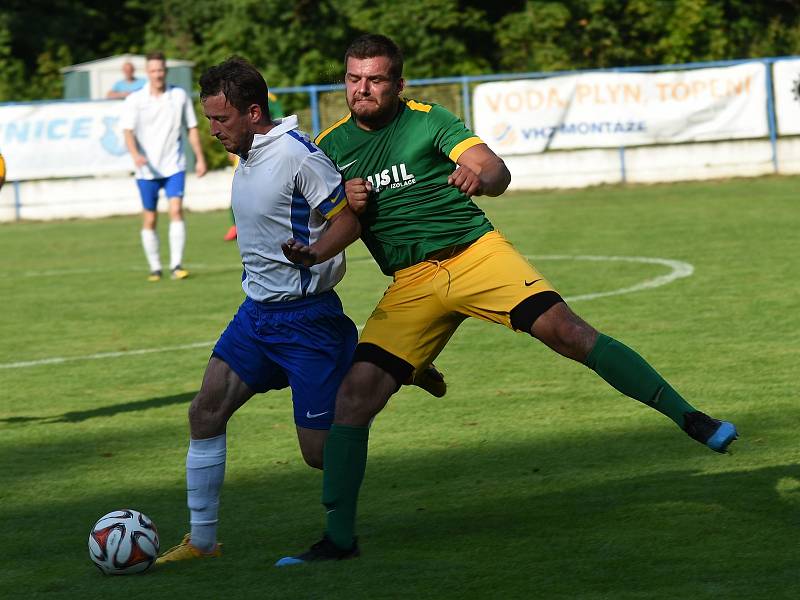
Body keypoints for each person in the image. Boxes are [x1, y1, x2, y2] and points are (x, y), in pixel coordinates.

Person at [276, 34, 739, 565]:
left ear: (398, 84)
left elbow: (495, 168)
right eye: (355, 79)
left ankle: (691, 418)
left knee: (570, 333)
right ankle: (338, 540)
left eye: (376, 79)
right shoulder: (332, 145)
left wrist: (481, 176)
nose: (364, 89)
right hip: (410, 283)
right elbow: (348, 221)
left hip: (475, 256)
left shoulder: (429, 119)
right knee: (353, 401)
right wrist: (313, 253)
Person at [154, 56, 362, 564]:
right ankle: (202, 543)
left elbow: (350, 219)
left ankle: (383, 367)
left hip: (309, 321)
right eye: (208, 120)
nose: (213, 130)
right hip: (257, 316)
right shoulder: (248, 153)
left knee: (318, 455)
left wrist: (315, 253)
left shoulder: (297, 155)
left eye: (221, 120)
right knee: (205, 412)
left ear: (253, 112)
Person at [121, 51, 207, 281]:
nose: (157, 74)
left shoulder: (178, 96)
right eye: (153, 71)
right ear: (147, 73)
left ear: (165, 71)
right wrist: (136, 155)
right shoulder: (135, 100)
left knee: (176, 210)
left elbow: (191, 128)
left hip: (174, 165)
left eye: (160, 70)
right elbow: (127, 132)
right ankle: (155, 268)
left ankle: (176, 265)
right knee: (150, 219)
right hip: (146, 170)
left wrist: (199, 157)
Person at [223, 91, 284, 242]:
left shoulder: (269, 97)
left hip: (265, 147)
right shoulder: (233, 97)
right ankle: (236, 225)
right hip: (244, 147)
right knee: (239, 188)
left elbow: (276, 117)